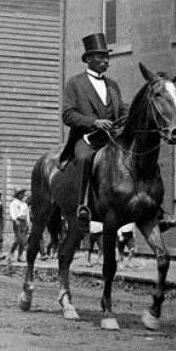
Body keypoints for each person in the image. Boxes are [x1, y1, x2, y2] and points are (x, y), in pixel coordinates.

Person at [59, 32, 128, 224]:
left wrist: (131, 113)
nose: (106, 61)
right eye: (101, 57)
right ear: (89, 59)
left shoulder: (112, 84)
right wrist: (94, 122)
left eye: (107, 57)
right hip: (86, 138)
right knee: (85, 157)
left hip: (111, 138)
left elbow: (121, 108)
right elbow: (68, 115)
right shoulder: (75, 83)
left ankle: (154, 210)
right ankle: (83, 206)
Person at [9, 189, 31, 262]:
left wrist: (28, 223)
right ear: (18, 195)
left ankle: (20, 256)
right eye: (21, 194)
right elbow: (12, 212)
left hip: (24, 222)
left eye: (23, 194)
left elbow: (27, 214)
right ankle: (11, 253)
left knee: (24, 240)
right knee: (19, 239)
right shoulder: (14, 203)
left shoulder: (24, 204)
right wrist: (15, 220)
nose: (22, 195)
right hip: (17, 221)